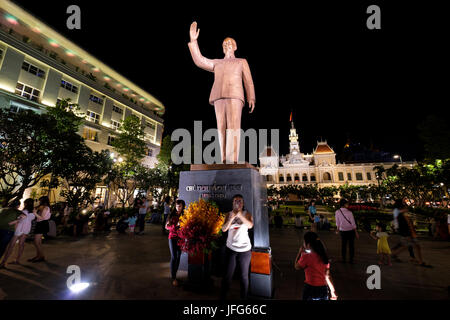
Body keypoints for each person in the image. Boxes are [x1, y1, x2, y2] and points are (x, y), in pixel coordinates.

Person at [220, 194, 253, 300]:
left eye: (240, 201)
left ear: (243, 203)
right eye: (235, 201)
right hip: (231, 248)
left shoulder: (247, 214)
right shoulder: (227, 214)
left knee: (244, 276)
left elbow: (250, 225)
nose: (237, 203)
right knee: (227, 275)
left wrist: (240, 215)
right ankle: (223, 296)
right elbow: (224, 229)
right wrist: (232, 218)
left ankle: (244, 297)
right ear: (232, 203)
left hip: (245, 250)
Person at [295, 231, 337, 300]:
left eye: (304, 242)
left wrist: (299, 253)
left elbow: (296, 266)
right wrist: (333, 291)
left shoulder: (306, 257)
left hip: (310, 289)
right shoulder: (324, 257)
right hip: (323, 289)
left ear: (308, 245)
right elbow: (328, 276)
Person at [0, 198, 35, 267]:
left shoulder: (23, 211)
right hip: (27, 228)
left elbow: (20, 219)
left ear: (26, 204)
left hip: (19, 228)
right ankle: (17, 260)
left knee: (11, 246)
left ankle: (3, 262)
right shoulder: (33, 212)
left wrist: (15, 222)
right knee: (21, 244)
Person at [165, 199, 186, 286]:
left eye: (180, 206)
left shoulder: (185, 215)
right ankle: (174, 277)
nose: (178, 208)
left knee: (178, 257)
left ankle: (175, 274)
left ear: (183, 206)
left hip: (181, 238)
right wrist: (176, 225)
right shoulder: (171, 215)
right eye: (177, 206)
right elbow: (167, 227)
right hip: (172, 238)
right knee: (174, 257)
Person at [335, 199, 359, 264]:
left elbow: (337, 222)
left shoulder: (337, 212)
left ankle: (343, 259)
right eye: (347, 204)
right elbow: (353, 223)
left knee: (343, 245)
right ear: (344, 204)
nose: (348, 205)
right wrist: (356, 232)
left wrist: (337, 229)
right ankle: (351, 259)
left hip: (342, 231)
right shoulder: (349, 212)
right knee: (351, 245)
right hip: (351, 231)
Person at [29, 196, 51, 263]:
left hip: (42, 224)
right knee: (38, 242)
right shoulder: (43, 207)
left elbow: (42, 218)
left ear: (43, 201)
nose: (39, 202)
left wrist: (35, 213)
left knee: (36, 241)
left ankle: (40, 256)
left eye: (40, 200)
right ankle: (39, 256)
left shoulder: (46, 208)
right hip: (40, 224)